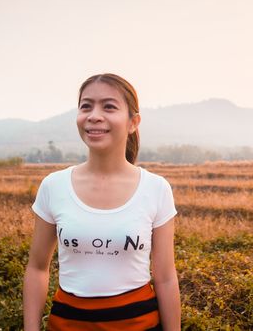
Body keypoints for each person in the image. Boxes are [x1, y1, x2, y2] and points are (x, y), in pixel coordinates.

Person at [23, 73, 181, 330]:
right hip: (67, 323)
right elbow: (37, 268)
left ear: (133, 122)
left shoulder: (156, 188)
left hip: (138, 323)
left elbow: (164, 278)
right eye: (86, 106)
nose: (94, 115)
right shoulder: (54, 186)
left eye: (109, 106)